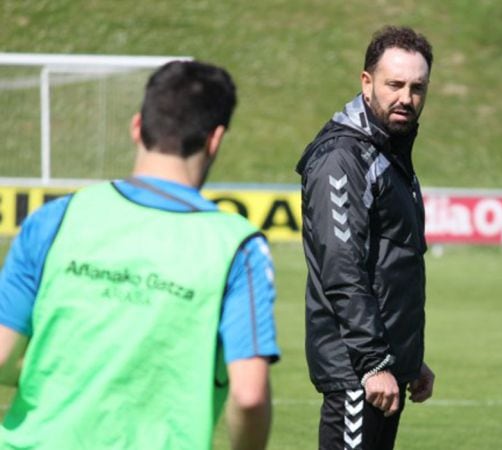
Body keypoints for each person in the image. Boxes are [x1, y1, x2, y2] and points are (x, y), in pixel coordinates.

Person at [0, 61, 279, 450]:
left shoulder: (55, 218)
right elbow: (249, 396)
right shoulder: (238, 246)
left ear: (137, 127)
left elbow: (3, 355)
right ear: (215, 139)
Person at [295, 25, 436, 450]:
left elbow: (389, 267)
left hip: (382, 368)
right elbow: (343, 268)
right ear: (366, 81)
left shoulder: (389, 152)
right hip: (358, 371)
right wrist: (374, 361)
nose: (405, 98)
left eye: (417, 87)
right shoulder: (343, 158)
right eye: (394, 84)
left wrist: (409, 358)